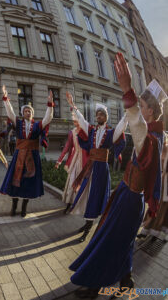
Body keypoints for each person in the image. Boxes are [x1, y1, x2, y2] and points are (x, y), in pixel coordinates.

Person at [69, 53, 166, 298]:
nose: (140, 110)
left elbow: (138, 128)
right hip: (127, 192)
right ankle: (126, 281)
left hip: (132, 199)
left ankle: (94, 287)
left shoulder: (152, 136)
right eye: (140, 106)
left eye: (143, 107)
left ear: (152, 111)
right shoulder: (152, 135)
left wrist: (128, 91)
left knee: (111, 240)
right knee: (122, 240)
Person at [65, 92, 127, 242]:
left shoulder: (111, 133)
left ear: (106, 117)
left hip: (101, 169)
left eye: (102, 115)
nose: (99, 117)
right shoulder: (91, 130)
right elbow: (82, 120)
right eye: (97, 115)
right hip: (90, 167)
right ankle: (87, 224)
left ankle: (87, 229)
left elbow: (121, 126)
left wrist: (128, 113)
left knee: (95, 196)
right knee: (86, 194)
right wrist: (73, 105)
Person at [0, 86, 54, 217]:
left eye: (30, 111)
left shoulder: (37, 125)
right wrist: (6, 99)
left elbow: (48, 118)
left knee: (28, 182)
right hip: (19, 155)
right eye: (26, 111)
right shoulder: (17, 123)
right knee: (15, 180)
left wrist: (50, 104)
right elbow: (10, 113)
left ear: (32, 114)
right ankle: (14, 206)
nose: (28, 113)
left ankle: (24, 207)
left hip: (32, 156)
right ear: (22, 113)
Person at [55, 118, 89, 214]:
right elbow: (67, 147)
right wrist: (59, 161)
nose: (75, 122)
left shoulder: (86, 131)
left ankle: (79, 205)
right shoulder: (72, 132)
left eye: (77, 120)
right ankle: (69, 204)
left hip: (85, 160)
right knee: (71, 181)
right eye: (74, 120)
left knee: (82, 182)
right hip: (75, 160)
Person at [138, 131, 168, 241]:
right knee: (155, 203)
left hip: (166, 182)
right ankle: (146, 229)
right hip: (160, 179)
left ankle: (157, 232)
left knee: (164, 208)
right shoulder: (163, 147)